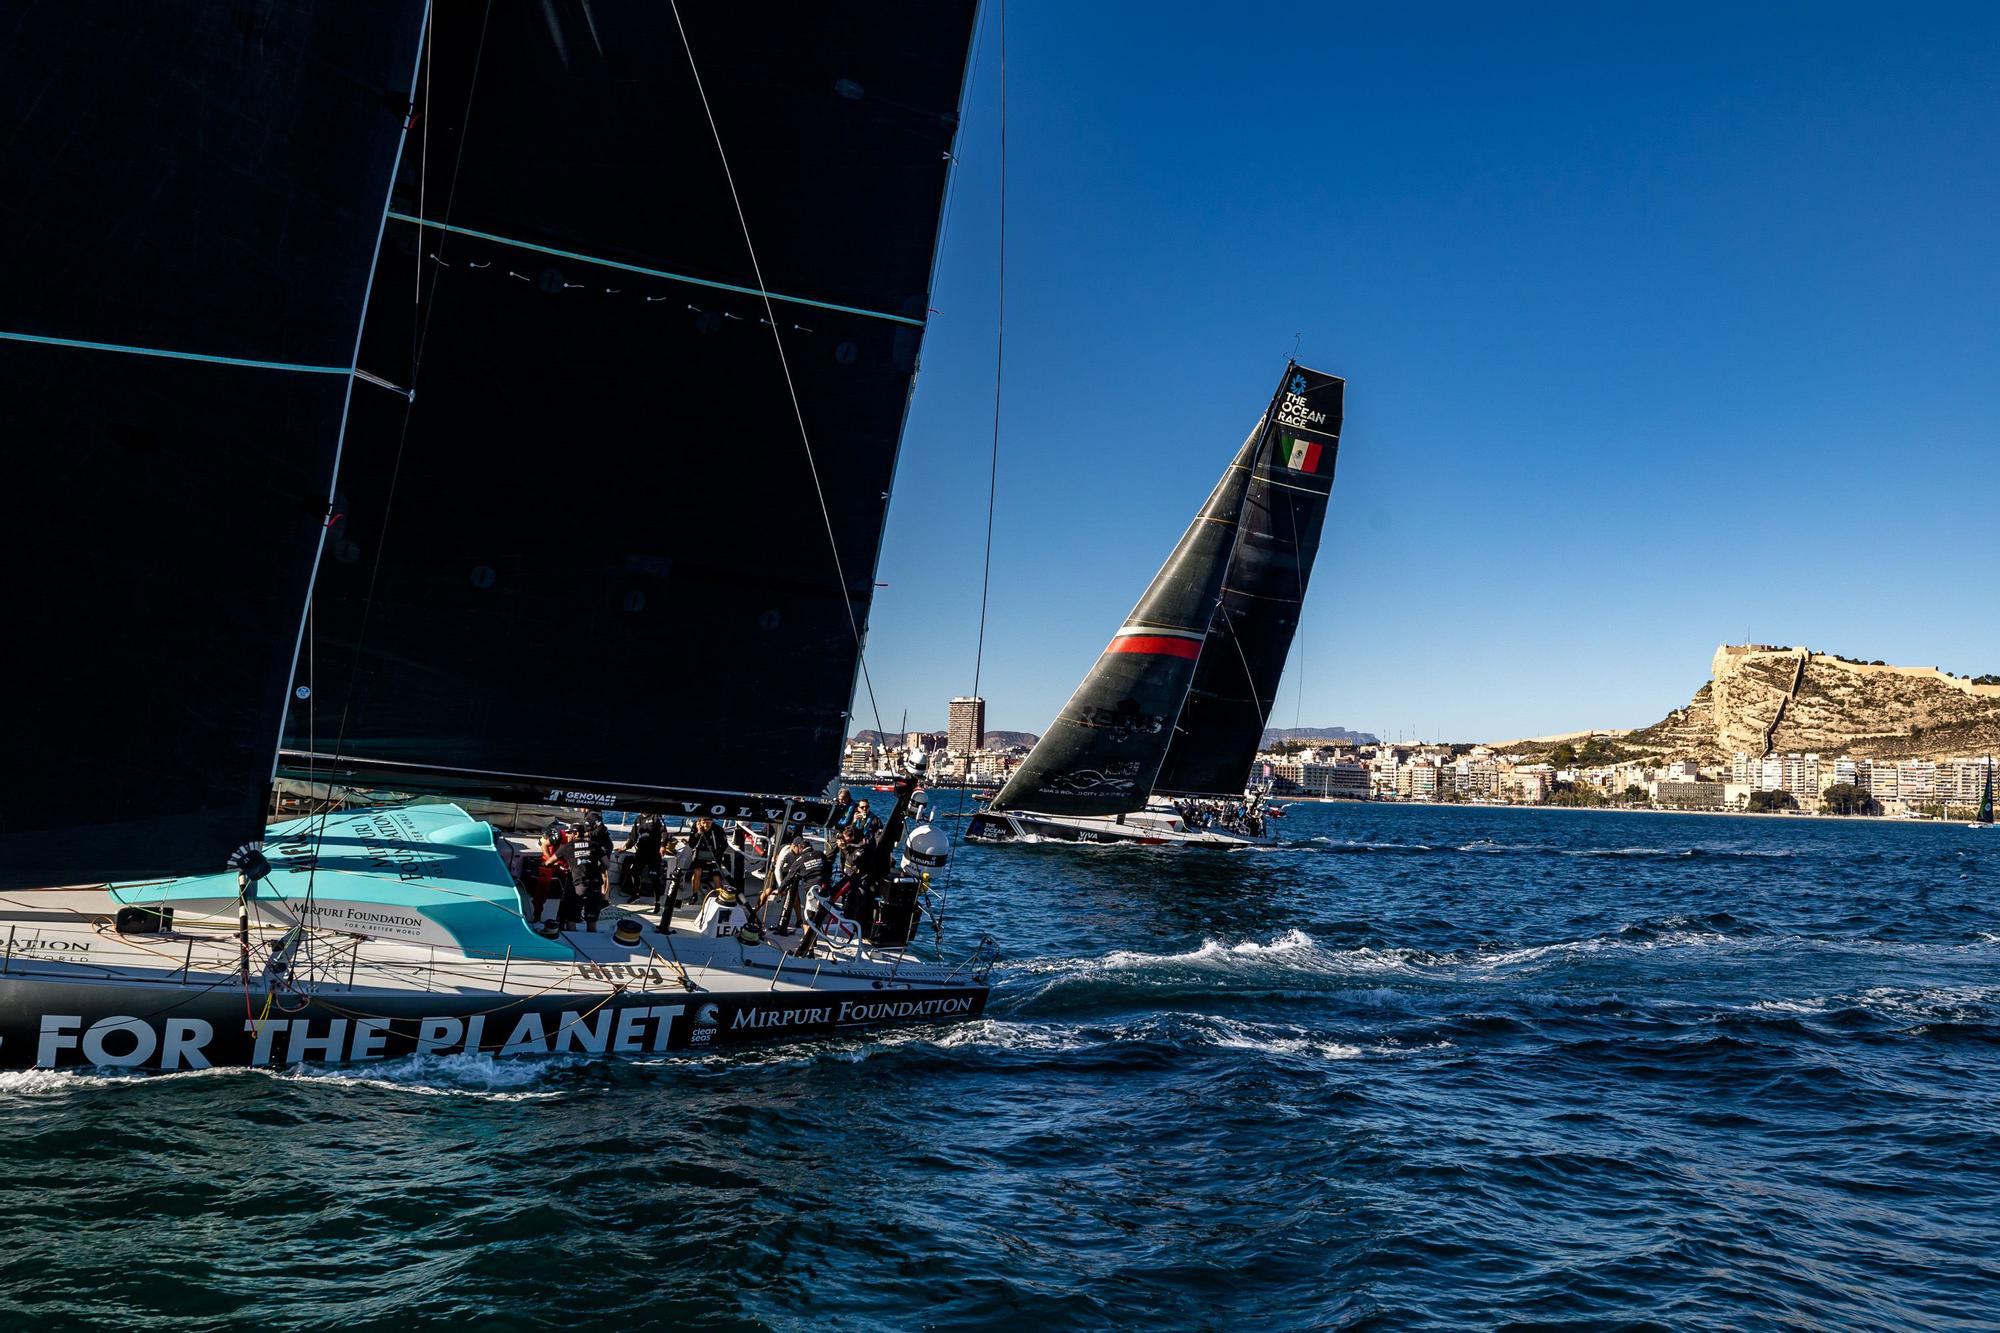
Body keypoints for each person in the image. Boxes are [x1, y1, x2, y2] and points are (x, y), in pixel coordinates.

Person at [620, 811, 664, 902]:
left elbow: (664, 831)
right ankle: (635, 894)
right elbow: (633, 838)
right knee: (634, 873)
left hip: (654, 852)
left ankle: (657, 901)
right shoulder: (638, 820)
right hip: (641, 852)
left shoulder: (655, 816)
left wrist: (663, 845)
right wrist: (625, 848)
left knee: (654, 876)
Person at [685, 815, 727, 902]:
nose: (707, 823)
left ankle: (720, 897)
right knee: (697, 872)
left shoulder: (718, 829)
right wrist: (699, 833)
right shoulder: (695, 827)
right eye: (704, 821)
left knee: (716, 876)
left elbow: (724, 845)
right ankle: (694, 895)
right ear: (700, 822)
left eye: (709, 821)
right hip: (700, 855)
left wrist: (715, 857)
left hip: (713, 855)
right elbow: (691, 844)